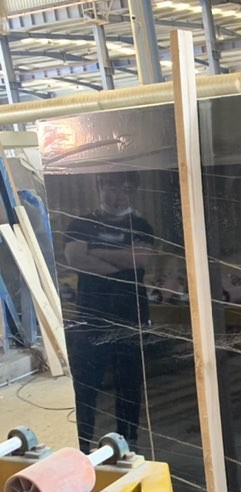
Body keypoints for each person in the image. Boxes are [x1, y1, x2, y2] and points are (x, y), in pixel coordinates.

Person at [64, 171, 155, 453]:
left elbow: (140, 259)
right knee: (85, 383)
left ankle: (127, 444)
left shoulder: (141, 225)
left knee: (129, 383)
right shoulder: (80, 224)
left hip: (130, 315)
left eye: (126, 190)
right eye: (113, 189)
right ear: (100, 187)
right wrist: (121, 264)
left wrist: (95, 252)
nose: (118, 196)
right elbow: (76, 259)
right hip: (91, 316)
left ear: (134, 192)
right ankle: (81, 444)